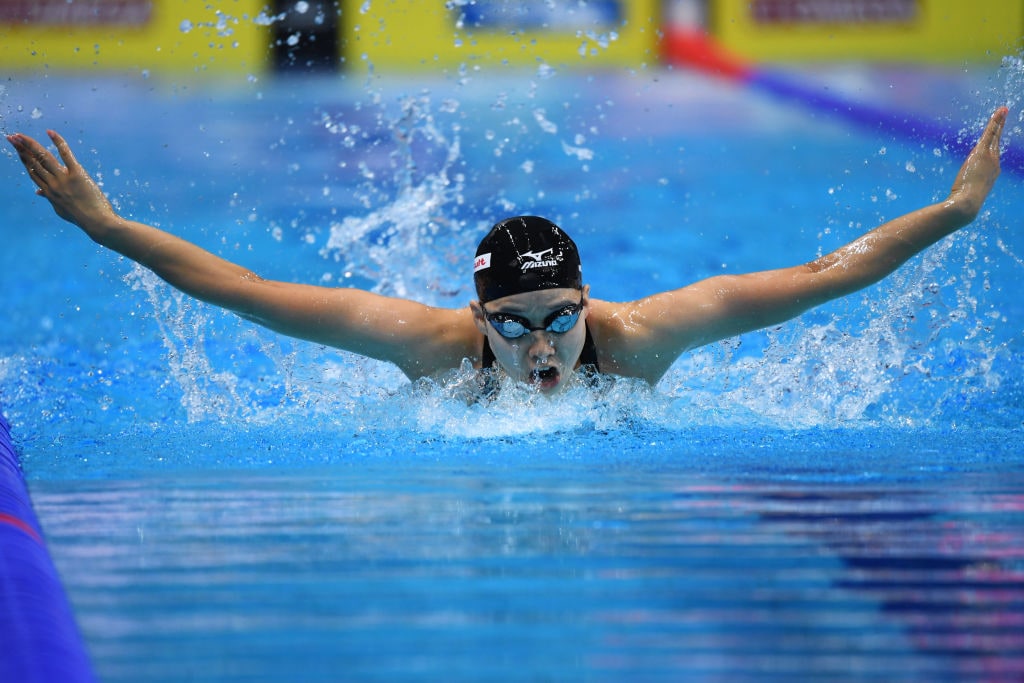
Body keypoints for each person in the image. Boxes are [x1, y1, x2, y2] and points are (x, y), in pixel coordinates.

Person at [6, 107, 1008, 396]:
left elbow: (823, 274)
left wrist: (954, 212)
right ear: (477, 315)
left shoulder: (645, 338)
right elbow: (247, 287)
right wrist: (107, 228)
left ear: (588, 297)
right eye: (515, 323)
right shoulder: (430, 347)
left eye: (560, 316)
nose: (541, 346)